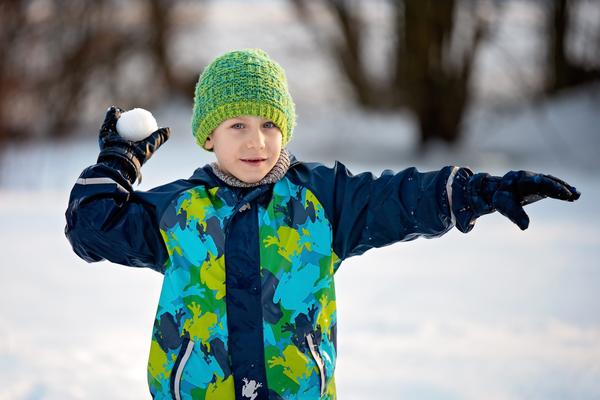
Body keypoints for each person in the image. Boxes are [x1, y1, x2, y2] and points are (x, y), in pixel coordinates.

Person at [64, 49, 580, 400]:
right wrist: (118, 162)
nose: (256, 141)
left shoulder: (324, 200)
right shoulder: (179, 209)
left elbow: (399, 198)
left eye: (269, 124)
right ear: (208, 136)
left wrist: (479, 191)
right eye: (237, 125)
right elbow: (91, 228)